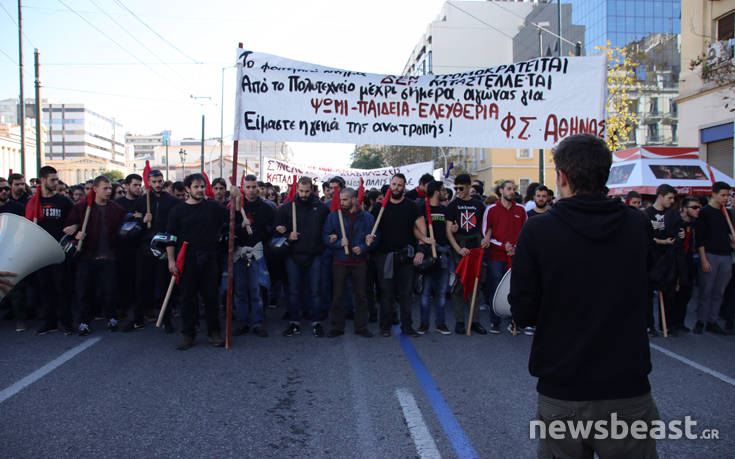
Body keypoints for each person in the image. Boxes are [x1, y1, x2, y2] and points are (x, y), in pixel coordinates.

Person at [509, 133, 659, 458]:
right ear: (606, 174)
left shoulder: (537, 231)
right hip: (627, 385)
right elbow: (652, 280)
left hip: (563, 386)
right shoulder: (637, 224)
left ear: (561, 177)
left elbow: (522, 310)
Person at [167, 173, 236, 350]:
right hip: (187, 260)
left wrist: (237, 196)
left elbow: (233, 217)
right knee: (187, 299)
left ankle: (214, 332)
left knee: (211, 298)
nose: (200, 190)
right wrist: (171, 260)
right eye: (196, 187)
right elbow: (171, 238)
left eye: (202, 186)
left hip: (209, 258)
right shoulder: (177, 210)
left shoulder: (212, 206)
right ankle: (188, 334)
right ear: (188, 189)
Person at [368, 173, 427, 338]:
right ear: (390, 184)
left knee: (406, 294)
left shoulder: (412, 206)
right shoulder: (380, 207)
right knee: (386, 293)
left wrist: (421, 250)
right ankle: (385, 327)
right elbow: (372, 230)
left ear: (404, 186)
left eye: (400, 185)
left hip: (405, 256)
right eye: (393, 184)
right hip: (383, 256)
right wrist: (368, 237)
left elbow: (422, 232)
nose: (396, 188)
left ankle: (407, 327)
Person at [65, 176, 126, 335]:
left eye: (109, 189)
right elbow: (68, 229)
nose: (108, 191)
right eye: (104, 188)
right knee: (84, 291)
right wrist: (76, 234)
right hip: (87, 257)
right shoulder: (82, 208)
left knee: (110, 290)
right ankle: (84, 321)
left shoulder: (116, 209)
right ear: (95, 189)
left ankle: (111, 317)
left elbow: (125, 225)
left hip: (109, 257)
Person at [124, 169, 181, 332]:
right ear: (149, 182)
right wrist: (143, 220)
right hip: (145, 247)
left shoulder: (171, 201)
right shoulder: (142, 201)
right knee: (142, 283)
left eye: (160, 181)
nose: (158, 184)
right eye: (154, 182)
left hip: (164, 246)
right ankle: (137, 318)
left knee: (164, 284)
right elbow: (133, 225)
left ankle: (166, 319)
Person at [275, 176, 330, 337]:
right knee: (293, 291)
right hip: (293, 255)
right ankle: (294, 323)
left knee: (315, 290)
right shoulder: (286, 208)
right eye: (301, 191)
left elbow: (327, 230)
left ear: (312, 190)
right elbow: (277, 230)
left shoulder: (321, 208)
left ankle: (316, 322)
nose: (304, 194)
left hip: (314, 255)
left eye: (307, 191)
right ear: (297, 189)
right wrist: (285, 234)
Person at [323, 187, 375, 338]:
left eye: (345, 199)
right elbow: (325, 236)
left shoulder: (367, 217)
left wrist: (364, 247)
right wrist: (337, 242)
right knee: (338, 295)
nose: (341, 202)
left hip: (359, 262)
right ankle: (337, 326)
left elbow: (374, 237)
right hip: (340, 260)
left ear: (354, 200)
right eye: (340, 199)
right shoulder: (334, 216)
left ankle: (361, 326)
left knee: (361, 295)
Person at [445, 173, 490, 335]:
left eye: (461, 188)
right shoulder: (452, 206)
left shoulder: (479, 205)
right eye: (456, 188)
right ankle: (459, 321)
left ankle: (475, 320)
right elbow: (448, 231)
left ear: (469, 187)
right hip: (460, 250)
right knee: (459, 286)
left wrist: (487, 239)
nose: (458, 191)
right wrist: (458, 249)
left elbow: (487, 226)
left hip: (476, 249)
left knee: (475, 285)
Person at [233, 174, 275, 338]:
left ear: (258, 187)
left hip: (257, 253)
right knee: (240, 290)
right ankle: (242, 321)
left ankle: (257, 322)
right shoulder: (236, 207)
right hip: (239, 253)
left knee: (257, 289)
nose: (251, 190)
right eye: (248, 187)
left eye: (253, 187)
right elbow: (228, 228)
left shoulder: (266, 208)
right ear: (243, 188)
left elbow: (270, 230)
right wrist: (238, 226)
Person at [34, 166, 74, 336]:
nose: (56, 183)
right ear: (42, 180)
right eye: (52, 180)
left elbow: (75, 219)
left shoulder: (63, 201)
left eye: (57, 179)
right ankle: (48, 322)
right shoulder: (33, 202)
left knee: (61, 288)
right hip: (40, 253)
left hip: (59, 252)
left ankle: (65, 322)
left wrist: (75, 226)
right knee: (44, 288)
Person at [694, 181, 733, 335]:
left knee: (719, 291)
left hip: (725, 256)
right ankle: (700, 320)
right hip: (710, 255)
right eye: (723, 195)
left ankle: (712, 320)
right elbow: (700, 239)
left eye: (727, 195)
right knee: (706, 290)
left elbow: (728, 236)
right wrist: (704, 259)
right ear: (714, 194)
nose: (725, 198)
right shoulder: (705, 212)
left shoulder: (728, 214)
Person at [645, 184, 683, 337]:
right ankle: (649, 324)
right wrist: (661, 242)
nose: (672, 201)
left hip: (667, 258)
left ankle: (666, 323)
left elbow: (677, 233)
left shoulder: (672, 214)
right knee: (648, 293)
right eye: (670, 198)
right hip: (651, 258)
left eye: (674, 198)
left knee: (668, 291)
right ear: (660, 196)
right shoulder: (646, 214)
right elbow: (645, 237)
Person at [418, 180, 452, 335]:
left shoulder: (445, 210)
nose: (445, 193)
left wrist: (454, 229)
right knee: (425, 291)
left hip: (443, 255)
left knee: (441, 291)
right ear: (437, 192)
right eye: (443, 190)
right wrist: (425, 240)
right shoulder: (422, 210)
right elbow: (415, 229)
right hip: (428, 255)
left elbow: (448, 231)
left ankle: (441, 323)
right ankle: (424, 324)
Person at [115, 174, 143, 319]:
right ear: (126, 186)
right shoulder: (118, 204)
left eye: (140, 185)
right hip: (122, 248)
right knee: (123, 280)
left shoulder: (144, 202)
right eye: (135, 185)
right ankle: (122, 307)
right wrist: (130, 217)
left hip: (139, 247)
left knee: (139, 280)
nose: (138, 188)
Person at [672, 196, 700, 333]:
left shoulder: (695, 224)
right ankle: (672, 323)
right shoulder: (677, 223)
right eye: (694, 207)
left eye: (698, 207)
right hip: (677, 263)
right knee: (675, 294)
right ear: (684, 209)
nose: (697, 210)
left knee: (686, 293)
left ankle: (680, 322)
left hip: (690, 263)